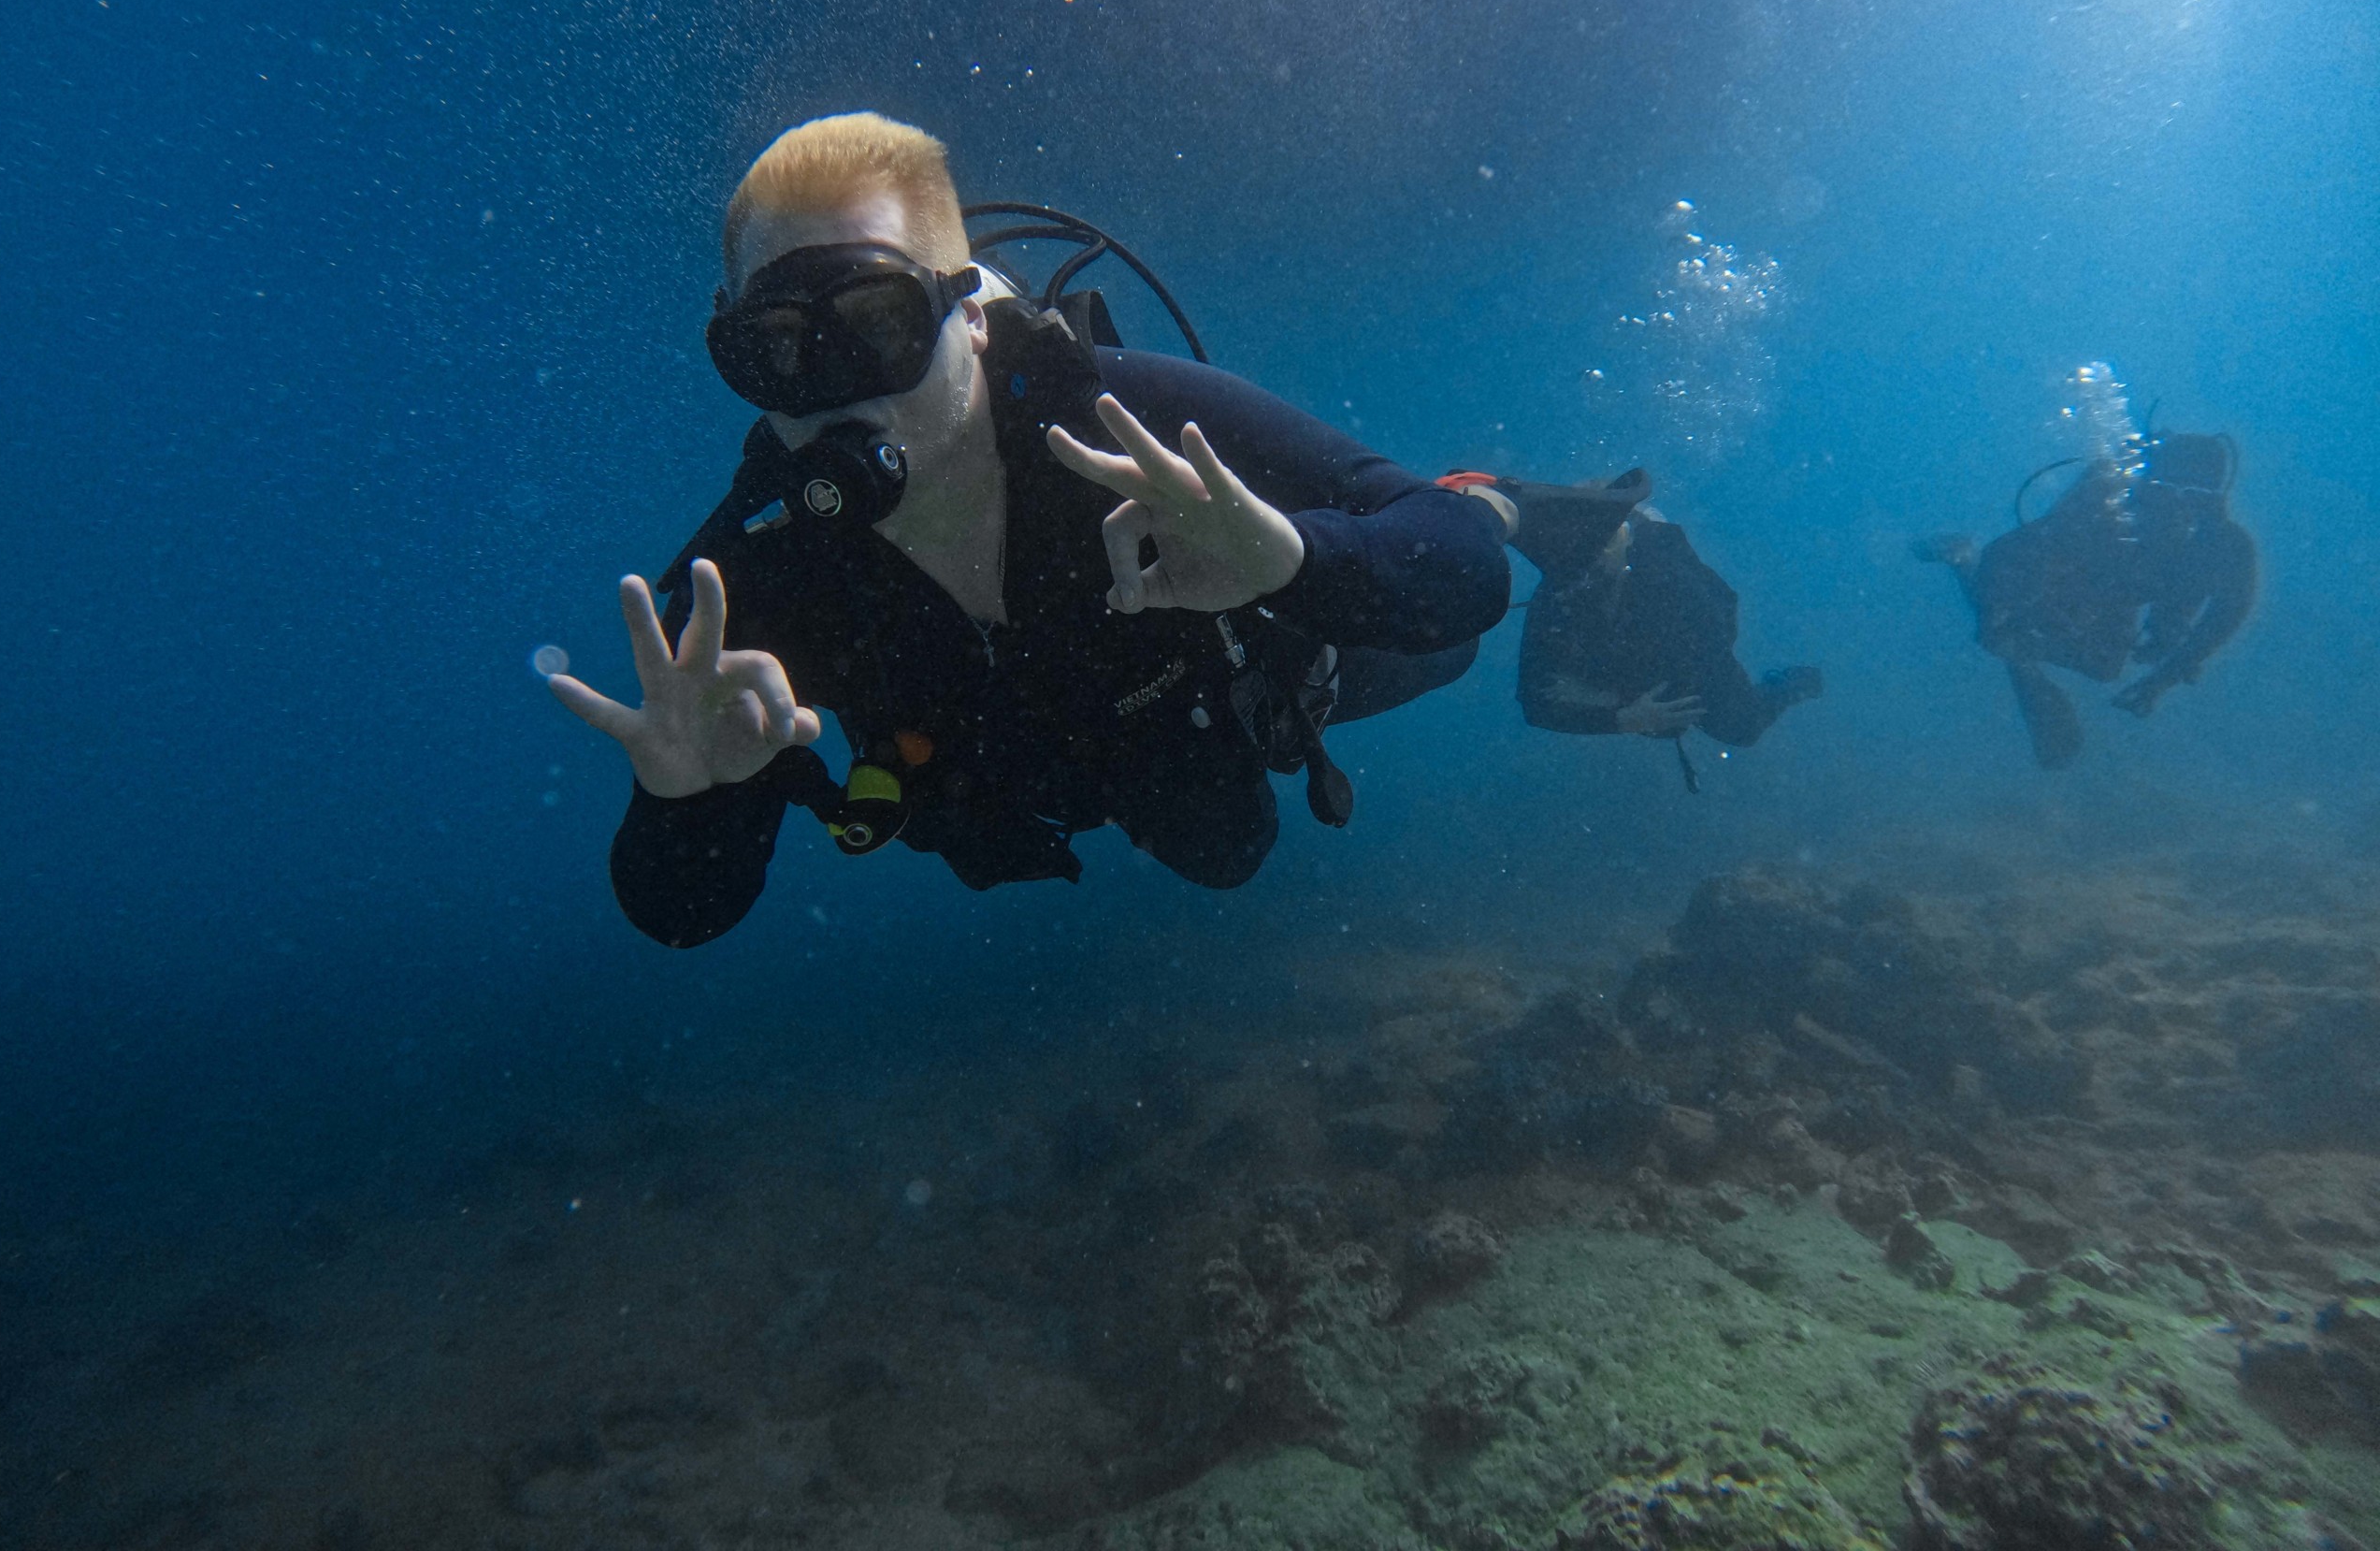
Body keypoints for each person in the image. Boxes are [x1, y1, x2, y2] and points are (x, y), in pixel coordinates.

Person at [548, 112, 1511, 946]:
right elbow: (680, 916)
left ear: (965, 312)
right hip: (1039, 779)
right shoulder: (753, 584)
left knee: (1429, 664)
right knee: (1213, 849)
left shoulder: (1120, 423)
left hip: (1254, 684)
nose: (832, 394)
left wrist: (1293, 559)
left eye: (876, 326)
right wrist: (684, 798)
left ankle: (1499, 489)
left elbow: (1462, 578)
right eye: (779, 350)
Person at [1441, 466, 1821, 782]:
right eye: (1578, 542)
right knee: (1660, 715)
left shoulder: (1670, 577)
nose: (1592, 553)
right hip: (1630, 673)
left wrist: (1617, 704)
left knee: (1744, 728)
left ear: (1626, 535)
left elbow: (1703, 656)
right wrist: (1623, 718)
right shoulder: (1559, 593)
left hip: (1692, 660)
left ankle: (1789, 685)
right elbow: (1534, 705)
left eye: (1604, 538)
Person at [1912, 431, 2256, 769]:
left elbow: (2226, 614)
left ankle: (2018, 646)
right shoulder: (2103, 508)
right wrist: (2000, 619)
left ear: (2217, 500)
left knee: (2104, 667)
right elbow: (2011, 555)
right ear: (2147, 484)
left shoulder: (2225, 545)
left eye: (2197, 496)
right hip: (2070, 576)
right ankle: (1962, 558)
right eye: (2165, 491)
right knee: (2003, 635)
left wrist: (2163, 676)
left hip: (2129, 589)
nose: (2179, 508)